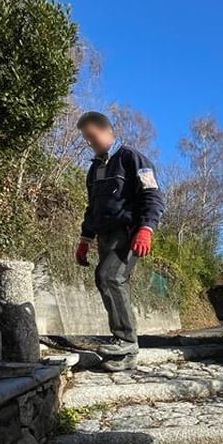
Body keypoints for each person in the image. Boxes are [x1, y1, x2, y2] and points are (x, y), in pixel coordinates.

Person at [74, 111, 164, 370]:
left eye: (93, 136)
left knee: (110, 277)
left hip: (128, 232)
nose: (90, 142)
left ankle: (126, 340)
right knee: (107, 279)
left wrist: (146, 228)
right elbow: (92, 208)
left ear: (108, 131)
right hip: (104, 236)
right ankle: (124, 354)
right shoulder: (94, 170)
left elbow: (153, 195)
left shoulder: (130, 158)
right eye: (86, 139)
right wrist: (85, 239)